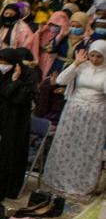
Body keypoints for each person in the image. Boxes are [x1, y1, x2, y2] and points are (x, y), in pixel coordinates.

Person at [43, 41, 106, 198]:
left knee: (87, 147)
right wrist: (76, 64)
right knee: (68, 144)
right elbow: (61, 81)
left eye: (99, 56)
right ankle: (59, 179)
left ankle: (81, 183)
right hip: (74, 111)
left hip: (95, 115)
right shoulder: (82, 66)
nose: (95, 59)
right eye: (92, 55)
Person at [0, 47, 37, 200]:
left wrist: (15, 81)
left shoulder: (28, 75)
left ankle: (2, 189)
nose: (2, 65)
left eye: (5, 63)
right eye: (0, 62)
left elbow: (18, 98)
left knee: (7, 153)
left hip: (14, 121)